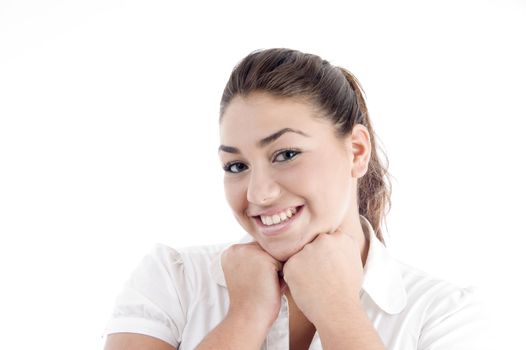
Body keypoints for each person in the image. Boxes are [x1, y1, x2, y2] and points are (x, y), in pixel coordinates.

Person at [102, 48, 488, 349]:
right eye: (236, 166)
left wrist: (338, 313)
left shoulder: (444, 314)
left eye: (286, 154)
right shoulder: (174, 280)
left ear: (356, 151)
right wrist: (247, 315)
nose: (258, 193)